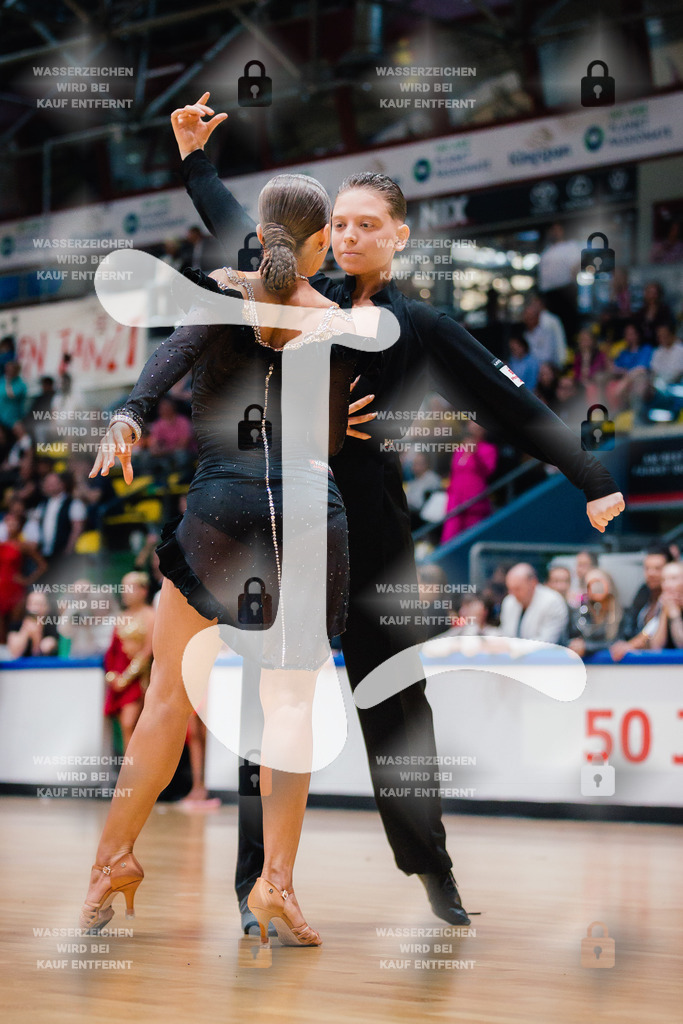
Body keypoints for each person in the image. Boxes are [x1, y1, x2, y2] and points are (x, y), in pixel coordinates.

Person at [173, 93, 625, 934]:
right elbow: (245, 226)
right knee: (272, 710)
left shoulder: (418, 323)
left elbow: (508, 404)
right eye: (337, 224)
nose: (344, 236)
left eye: (363, 225)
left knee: (398, 711)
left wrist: (591, 474)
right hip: (286, 520)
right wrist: (196, 160)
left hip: (372, 528)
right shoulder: (302, 290)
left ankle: (434, 873)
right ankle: (255, 886)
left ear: (399, 234)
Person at [79, 170, 382, 947]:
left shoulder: (221, 292)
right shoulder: (347, 321)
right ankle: (275, 885)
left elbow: (167, 362)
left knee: (166, 707)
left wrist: (126, 414)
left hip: (220, 512)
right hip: (311, 521)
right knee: (292, 719)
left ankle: (112, 863)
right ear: (322, 244)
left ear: (261, 229)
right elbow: (330, 438)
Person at [103, 572, 155, 752]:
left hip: (141, 679)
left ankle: (139, 774)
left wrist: (126, 678)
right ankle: (131, 773)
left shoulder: (150, 615)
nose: (125, 592)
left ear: (143, 590)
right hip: (119, 678)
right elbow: (113, 651)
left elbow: (147, 652)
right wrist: (112, 676)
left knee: (131, 723)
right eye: (124, 588)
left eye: (130, 587)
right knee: (125, 725)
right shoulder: (121, 617)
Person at [441, 421, 497, 543]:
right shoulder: (460, 449)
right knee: (450, 537)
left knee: (472, 538)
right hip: (456, 500)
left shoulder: (489, 449)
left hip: (474, 502)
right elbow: (453, 473)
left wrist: (475, 453)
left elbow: (488, 471)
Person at [0, 510, 48, 642]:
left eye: (14, 523)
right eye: (8, 523)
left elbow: (42, 565)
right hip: (1, 586)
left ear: (20, 526)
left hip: (15, 587)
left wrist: (28, 580)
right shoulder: (1, 544)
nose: (11, 526)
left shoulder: (23, 545)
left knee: (15, 622)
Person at [500, 563, 569, 644]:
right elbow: (505, 634)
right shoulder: (509, 601)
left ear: (533, 583)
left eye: (517, 589)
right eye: (510, 589)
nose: (513, 594)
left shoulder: (553, 602)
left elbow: (547, 642)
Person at [568, 568, 622, 658]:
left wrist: (587, 647)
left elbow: (620, 644)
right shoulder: (580, 613)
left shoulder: (621, 615)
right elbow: (567, 639)